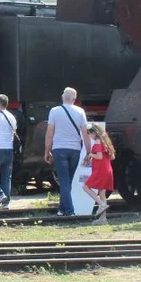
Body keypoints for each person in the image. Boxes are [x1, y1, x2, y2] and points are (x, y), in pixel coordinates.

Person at [43, 87, 92, 217]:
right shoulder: (80, 111)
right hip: (75, 150)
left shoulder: (54, 111)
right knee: (68, 181)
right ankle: (61, 209)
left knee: (64, 181)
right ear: (74, 99)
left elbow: (49, 133)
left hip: (59, 149)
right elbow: (85, 133)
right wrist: (89, 151)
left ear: (62, 97)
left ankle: (69, 211)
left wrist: (47, 151)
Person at [82, 122, 116, 224]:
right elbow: (112, 157)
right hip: (107, 169)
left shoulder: (97, 142)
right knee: (102, 193)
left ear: (94, 132)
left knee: (85, 187)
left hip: (100, 170)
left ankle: (101, 204)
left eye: (90, 134)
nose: (90, 136)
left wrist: (91, 154)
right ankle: (103, 219)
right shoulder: (105, 142)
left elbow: (99, 157)